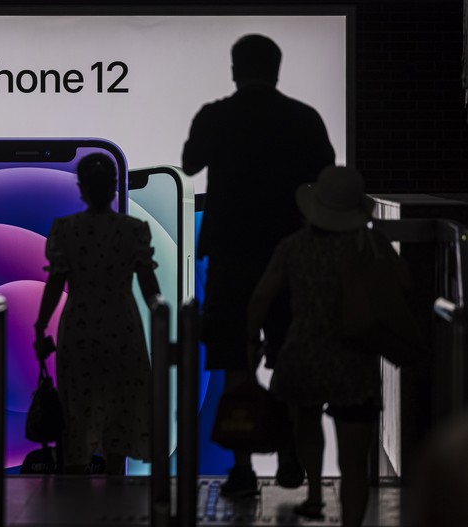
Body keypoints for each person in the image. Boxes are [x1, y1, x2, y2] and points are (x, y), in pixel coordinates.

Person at [182, 33, 335, 496]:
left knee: (234, 360)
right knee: (289, 356)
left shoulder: (217, 115)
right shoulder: (303, 118)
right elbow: (325, 172)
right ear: (277, 69)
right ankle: (291, 458)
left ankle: (243, 467)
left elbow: (189, 164)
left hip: (231, 256)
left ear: (234, 68)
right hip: (289, 253)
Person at [247, 166, 381, 527]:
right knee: (354, 460)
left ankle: (316, 494)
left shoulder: (294, 247)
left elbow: (262, 297)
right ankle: (351, 521)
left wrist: (251, 340)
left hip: (304, 353)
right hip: (356, 359)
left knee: (306, 422)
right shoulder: (367, 246)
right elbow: (404, 284)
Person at [34, 153, 161, 476]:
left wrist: (40, 325)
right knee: (120, 408)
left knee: (78, 407)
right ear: (115, 188)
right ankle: (116, 482)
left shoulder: (66, 230)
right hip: (122, 325)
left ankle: (76, 484)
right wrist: (164, 318)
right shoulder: (134, 231)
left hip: (80, 325)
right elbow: (149, 286)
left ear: (82, 189)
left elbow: (55, 282)